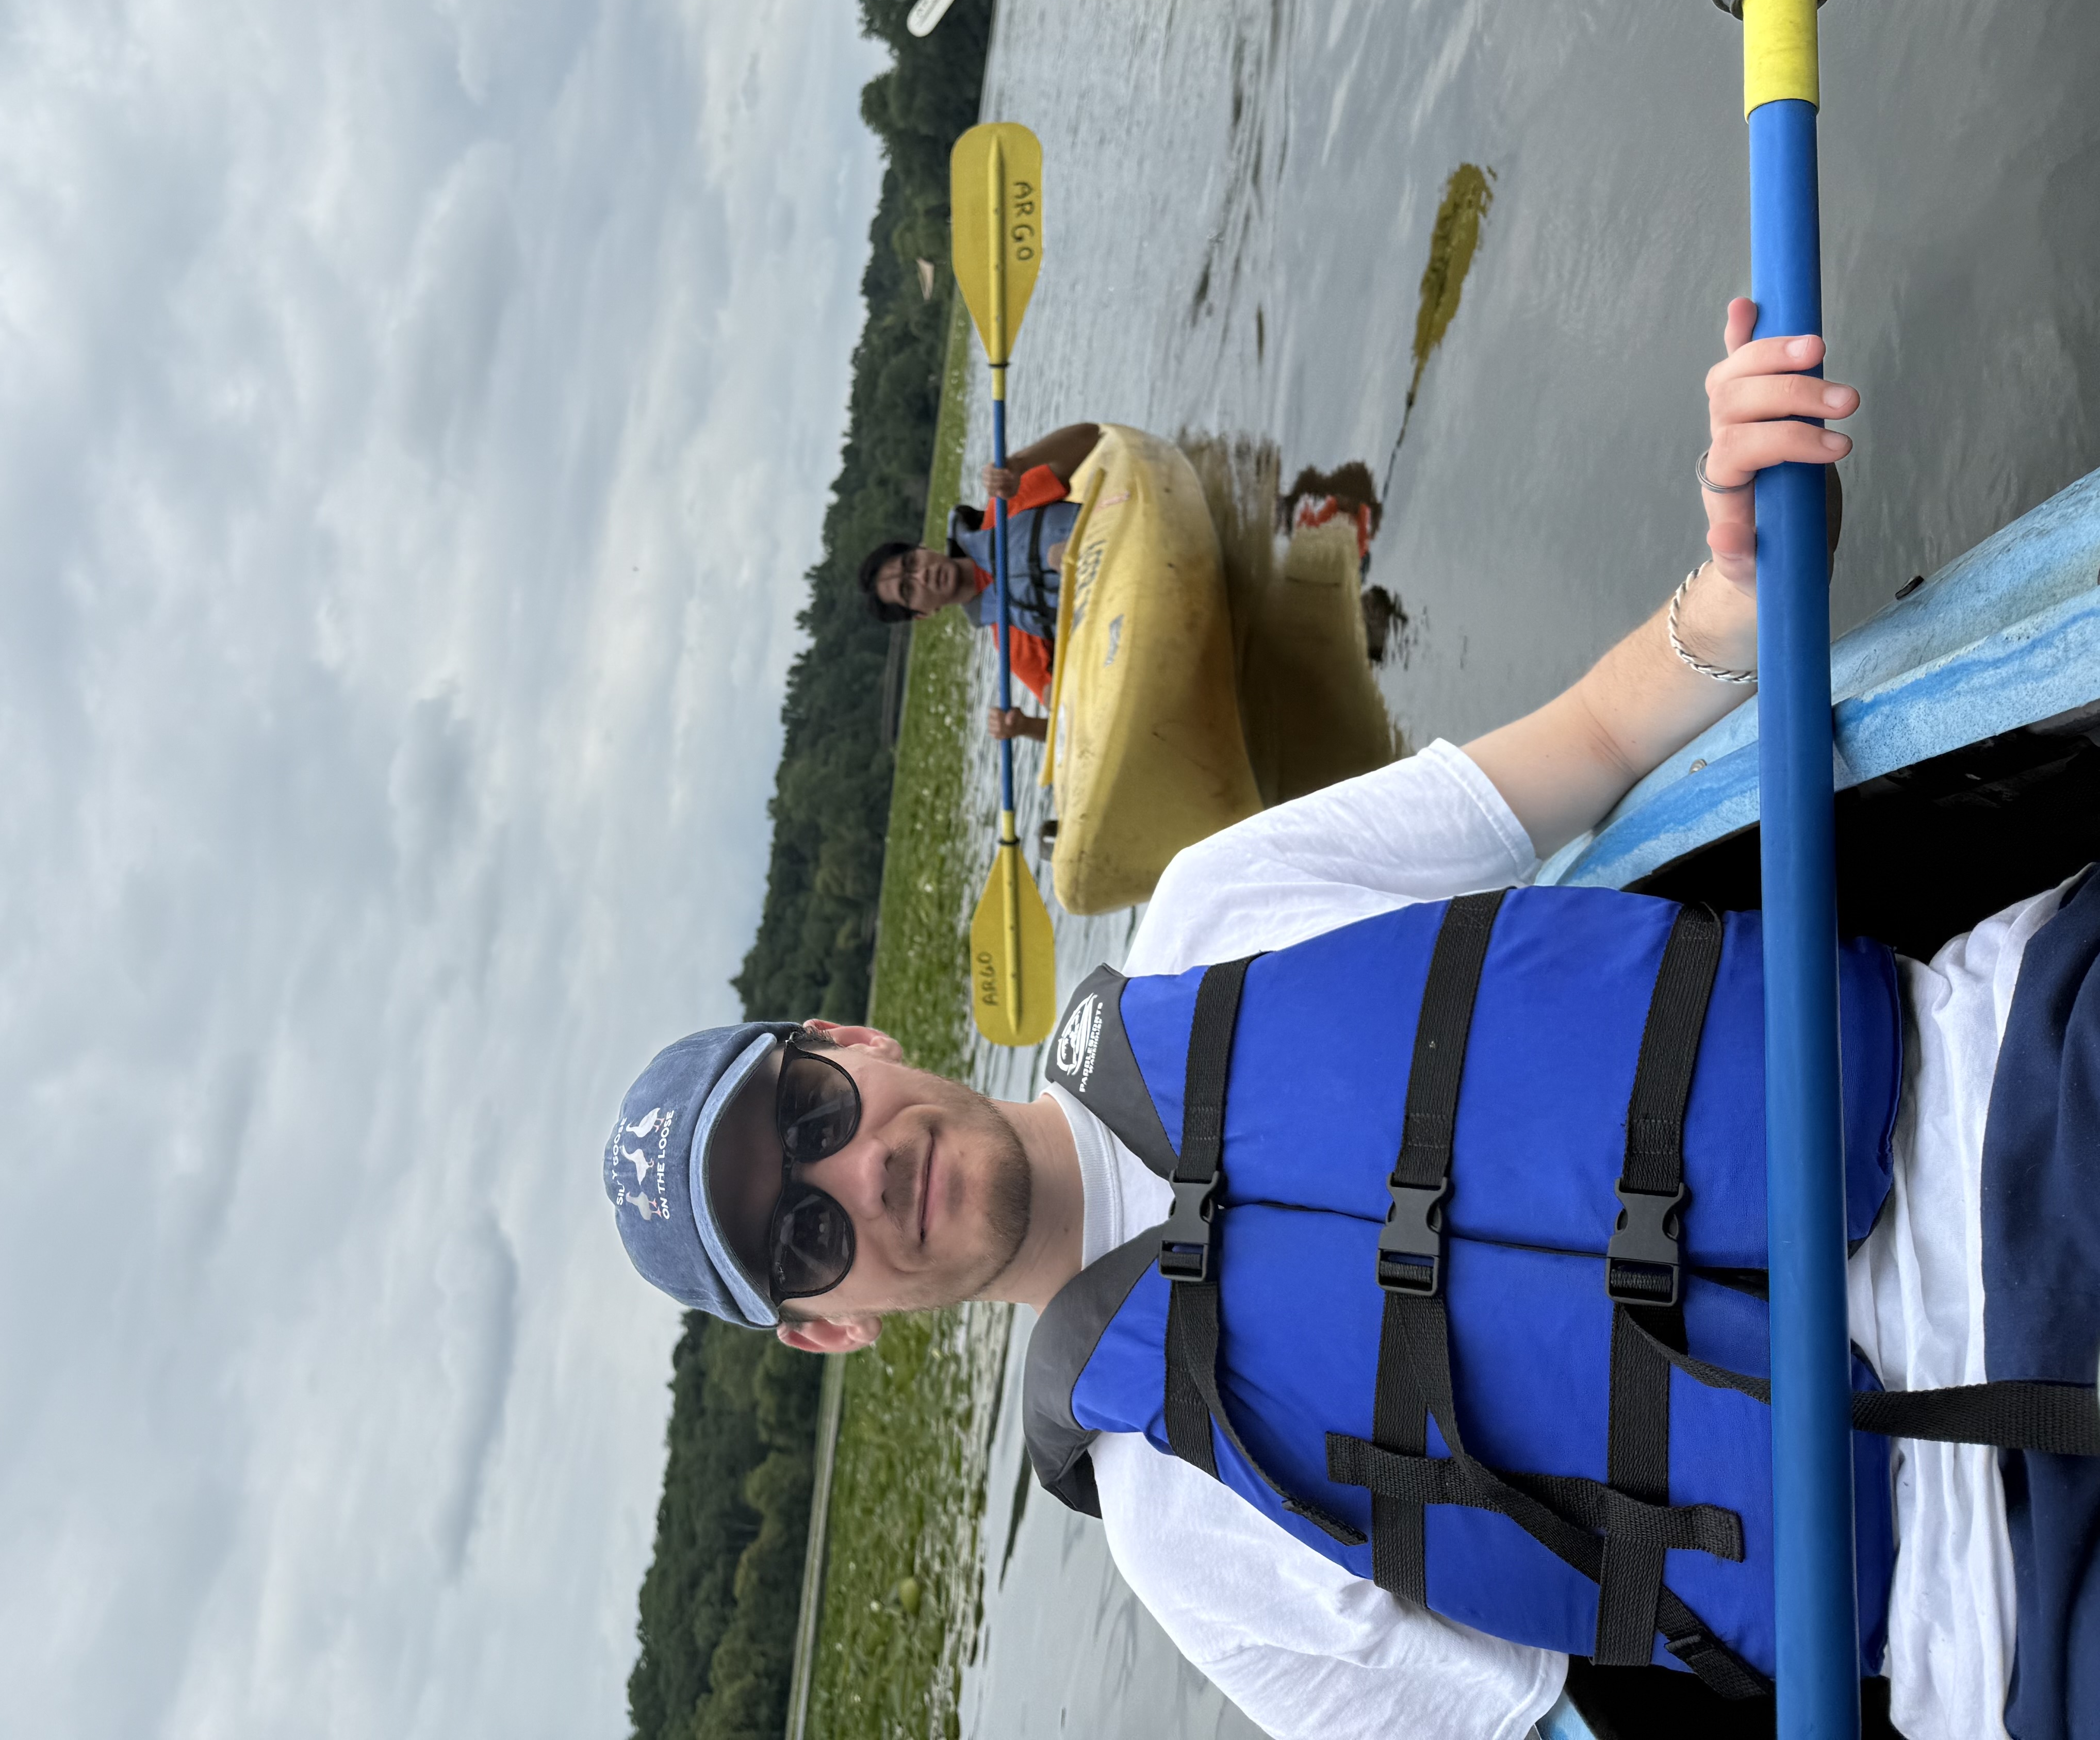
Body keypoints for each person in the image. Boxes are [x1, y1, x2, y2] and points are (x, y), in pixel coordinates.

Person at [607, 304, 2097, 1740]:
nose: (857, 1172)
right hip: (2007, 1588)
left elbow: (1596, 734)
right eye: (803, 1231)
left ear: (850, 1041)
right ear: (835, 1325)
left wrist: (1739, 572)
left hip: (2013, 1087)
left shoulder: (1218, 904)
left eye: (807, 1114)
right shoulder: (1187, 1547)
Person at [859, 422, 1105, 741]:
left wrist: (1021, 463)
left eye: (911, 563)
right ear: (923, 614)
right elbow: (1075, 723)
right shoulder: (1014, 647)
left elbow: (1089, 436)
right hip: (1118, 602)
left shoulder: (1005, 507)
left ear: (923, 549)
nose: (922, 575)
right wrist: (1025, 727)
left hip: (1120, 526)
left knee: (1058, 554)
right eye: (909, 588)